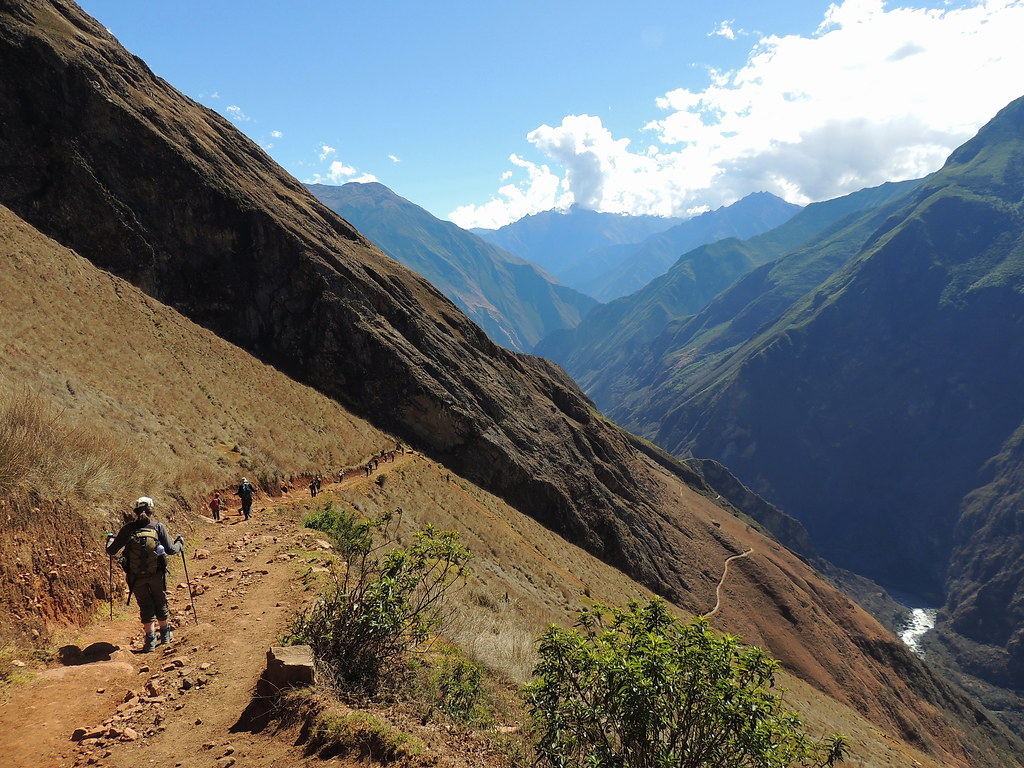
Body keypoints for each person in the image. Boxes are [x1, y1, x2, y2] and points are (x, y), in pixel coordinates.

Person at [106, 497, 183, 652]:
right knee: (160, 601)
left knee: (145, 605)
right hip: (156, 574)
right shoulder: (158, 527)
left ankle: (150, 641)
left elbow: (111, 550)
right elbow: (170, 550)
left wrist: (109, 540)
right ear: (151, 510)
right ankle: (165, 635)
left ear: (135, 511)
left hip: (135, 577)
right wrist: (180, 543)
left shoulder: (128, 529)